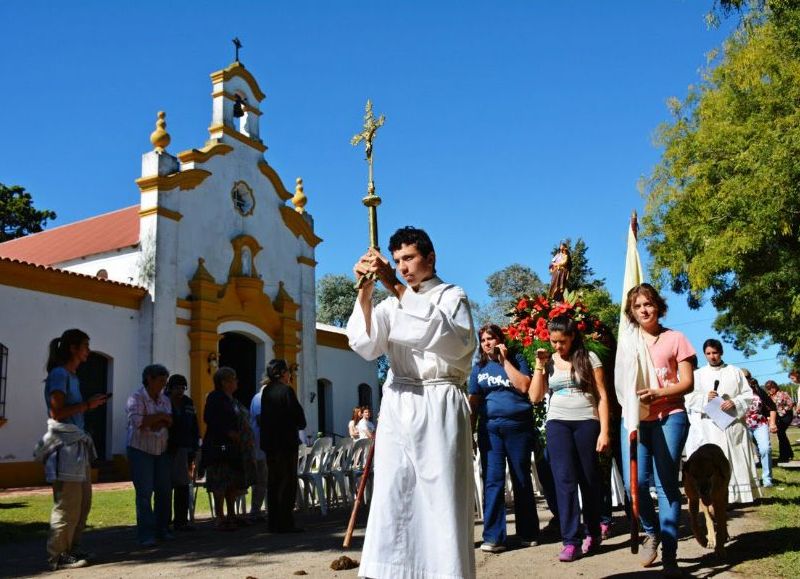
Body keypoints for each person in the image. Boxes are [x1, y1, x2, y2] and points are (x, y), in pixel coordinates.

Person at [347, 226, 477, 579]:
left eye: (409, 258)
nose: (402, 267)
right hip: (399, 404)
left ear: (430, 258)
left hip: (438, 403)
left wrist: (394, 286)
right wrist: (366, 291)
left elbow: (448, 339)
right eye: (397, 261)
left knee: (440, 498)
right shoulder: (390, 305)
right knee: (395, 494)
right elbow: (366, 345)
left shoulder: (452, 296)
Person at [617, 283, 695, 578]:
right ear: (632, 312)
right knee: (632, 485)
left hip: (670, 415)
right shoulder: (628, 343)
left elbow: (688, 383)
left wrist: (660, 393)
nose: (644, 310)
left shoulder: (676, 339)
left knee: (665, 484)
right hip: (636, 419)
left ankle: (670, 553)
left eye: (648, 304)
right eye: (638, 306)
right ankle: (652, 532)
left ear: (659, 306)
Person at [530, 316, 610, 562]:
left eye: (562, 341)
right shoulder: (548, 362)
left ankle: (594, 531)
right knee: (563, 481)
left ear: (572, 337)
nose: (557, 346)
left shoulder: (589, 358)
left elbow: (603, 396)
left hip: (587, 421)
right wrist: (539, 366)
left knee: (589, 479)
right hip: (557, 423)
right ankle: (571, 541)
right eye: (553, 341)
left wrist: (604, 431)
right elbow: (535, 396)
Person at [37, 329, 109, 571]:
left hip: (77, 445)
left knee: (83, 502)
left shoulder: (73, 376)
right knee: (67, 503)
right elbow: (56, 412)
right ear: (73, 348)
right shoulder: (59, 375)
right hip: (64, 446)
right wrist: (88, 405)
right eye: (85, 346)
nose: (88, 351)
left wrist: (88, 405)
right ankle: (57, 555)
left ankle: (72, 548)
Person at [468, 323, 539, 553]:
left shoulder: (516, 359)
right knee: (493, 481)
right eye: (484, 340)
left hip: (518, 427)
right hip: (490, 431)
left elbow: (524, 387)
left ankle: (528, 533)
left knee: (521, 478)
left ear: (500, 339)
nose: (487, 343)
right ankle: (493, 537)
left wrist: (504, 361)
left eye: (491, 338)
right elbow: (474, 402)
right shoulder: (478, 368)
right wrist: (470, 432)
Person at [686, 339, 760, 503]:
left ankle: (740, 496)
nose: (712, 357)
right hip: (711, 426)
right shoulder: (698, 375)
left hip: (733, 423)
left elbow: (748, 395)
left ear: (721, 352)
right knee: (715, 461)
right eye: (708, 353)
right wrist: (706, 397)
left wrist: (734, 402)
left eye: (715, 353)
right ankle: (718, 497)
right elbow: (689, 398)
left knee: (736, 458)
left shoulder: (734, 371)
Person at [126, 364, 173, 546]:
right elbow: (139, 422)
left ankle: (162, 529)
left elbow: (168, 421)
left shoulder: (165, 399)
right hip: (140, 449)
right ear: (149, 379)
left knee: (164, 491)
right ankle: (146, 534)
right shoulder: (136, 398)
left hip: (160, 449)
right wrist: (159, 417)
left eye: (165, 381)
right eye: (161, 381)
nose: (164, 384)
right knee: (144, 492)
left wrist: (155, 420)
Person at [260, 358, 307, 533]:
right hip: (286, 443)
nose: (290, 374)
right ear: (282, 373)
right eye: (287, 371)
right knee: (287, 482)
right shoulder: (287, 391)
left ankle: (273, 522)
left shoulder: (266, 392)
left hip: (271, 444)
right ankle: (286, 522)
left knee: (273, 482)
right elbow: (299, 418)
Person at [203, 367, 245, 531]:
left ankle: (231, 514)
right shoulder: (215, 397)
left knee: (232, 482)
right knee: (219, 481)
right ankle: (220, 516)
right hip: (218, 446)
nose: (236, 382)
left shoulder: (231, 399)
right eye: (233, 378)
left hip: (232, 447)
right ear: (224, 382)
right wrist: (229, 432)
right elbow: (209, 419)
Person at [165, 374, 199, 531]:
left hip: (184, 448)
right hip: (165, 447)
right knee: (165, 486)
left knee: (183, 485)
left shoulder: (188, 403)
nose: (180, 391)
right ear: (170, 388)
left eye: (182, 388)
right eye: (177, 387)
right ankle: (164, 520)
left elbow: (194, 425)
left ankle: (181, 520)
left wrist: (194, 447)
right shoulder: (163, 401)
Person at [742, 371, 778, 487]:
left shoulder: (758, 390)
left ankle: (767, 479)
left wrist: (772, 423)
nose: (745, 380)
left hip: (760, 424)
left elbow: (772, 407)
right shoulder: (735, 392)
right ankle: (749, 481)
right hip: (743, 426)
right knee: (745, 453)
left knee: (765, 449)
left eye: (747, 377)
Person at [248, 379, 269, 521]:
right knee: (260, 479)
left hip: (264, 445)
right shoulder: (260, 398)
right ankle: (255, 511)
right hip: (260, 445)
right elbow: (262, 419)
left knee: (264, 479)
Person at [765, 380, 795, 463]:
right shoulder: (769, 396)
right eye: (768, 388)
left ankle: (784, 456)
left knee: (781, 433)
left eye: (772, 388)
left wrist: (783, 411)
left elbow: (791, 404)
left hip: (786, 416)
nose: (770, 390)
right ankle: (788, 454)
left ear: (775, 386)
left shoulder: (783, 394)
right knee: (781, 434)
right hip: (777, 417)